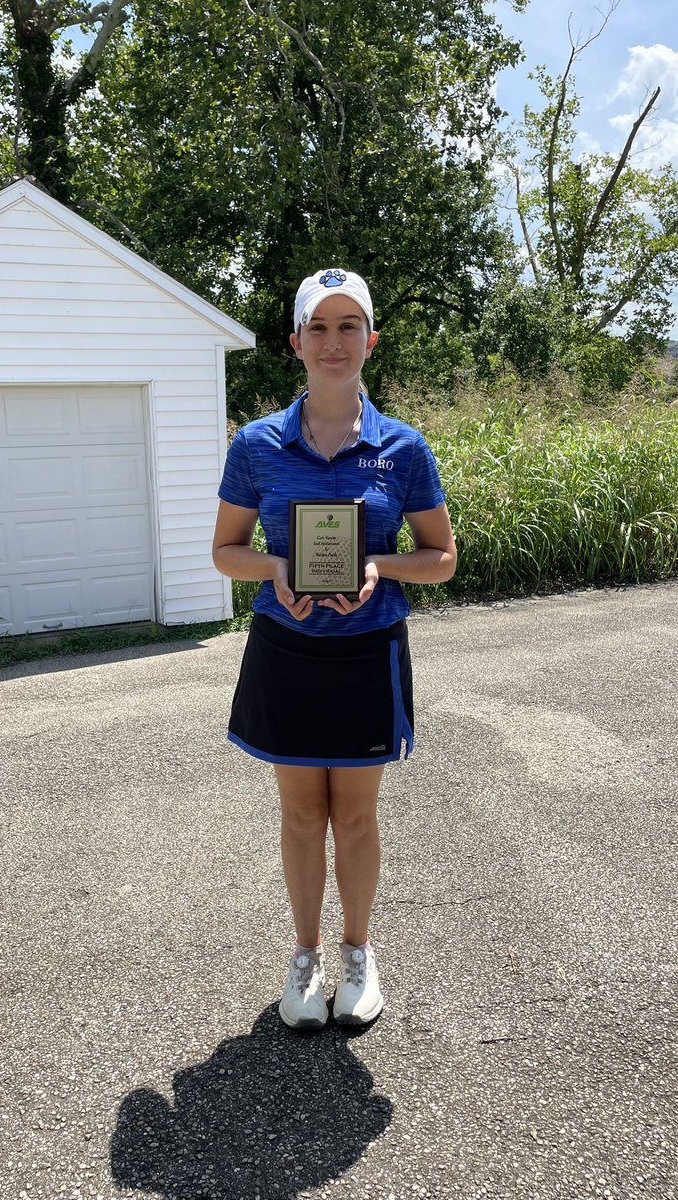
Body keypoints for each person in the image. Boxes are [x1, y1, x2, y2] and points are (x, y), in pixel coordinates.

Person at [212, 267, 457, 1030]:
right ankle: (305, 956)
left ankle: (358, 953)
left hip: (365, 654)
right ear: (295, 342)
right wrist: (277, 568)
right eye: (318, 326)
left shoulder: (404, 448)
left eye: (349, 325)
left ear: (370, 341)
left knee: (353, 815)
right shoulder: (256, 444)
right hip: (286, 651)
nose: (333, 341)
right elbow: (226, 551)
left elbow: (441, 558)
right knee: (298, 815)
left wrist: (377, 565)